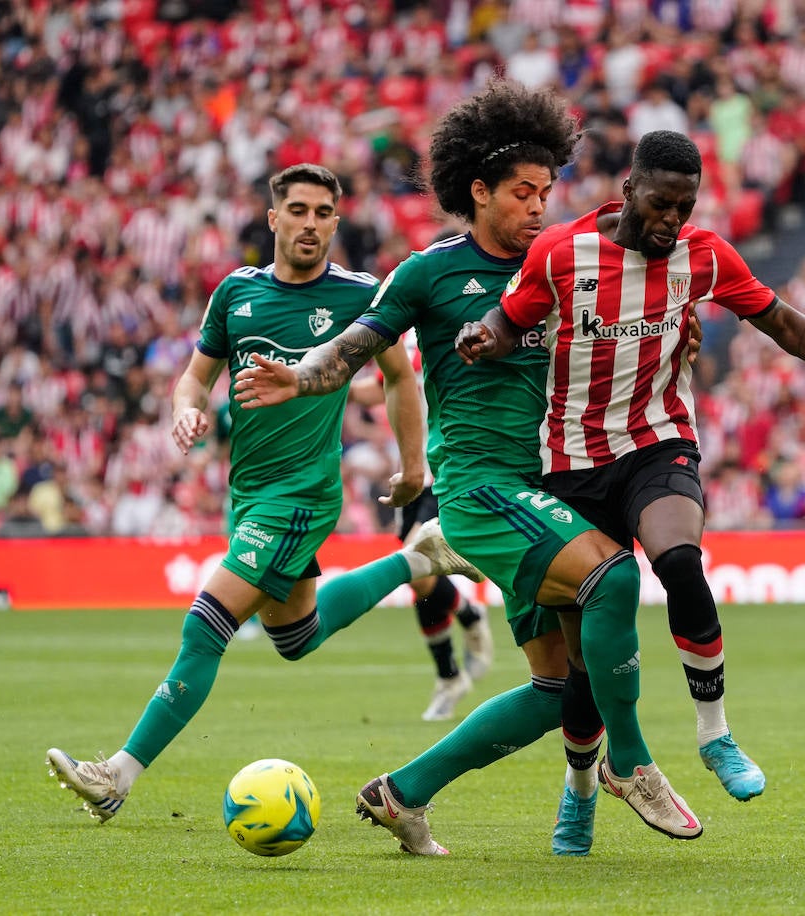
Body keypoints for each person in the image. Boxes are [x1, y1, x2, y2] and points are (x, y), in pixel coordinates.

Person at [232, 82, 700, 857]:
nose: (539, 207)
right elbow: (353, 345)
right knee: (614, 578)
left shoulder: (566, 265)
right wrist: (302, 375)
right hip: (488, 489)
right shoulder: (430, 273)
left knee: (559, 687)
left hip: (556, 490)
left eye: (547, 192)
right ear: (477, 191)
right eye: (523, 192)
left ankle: (403, 792)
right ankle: (633, 762)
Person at [455, 130, 805, 806]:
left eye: (684, 207)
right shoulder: (562, 251)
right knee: (586, 670)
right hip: (572, 461)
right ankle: (579, 792)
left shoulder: (703, 254)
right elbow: (511, 318)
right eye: (661, 205)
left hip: (659, 440)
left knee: (679, 559)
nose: (672, 221)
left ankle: (715, 733)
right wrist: (486, 335)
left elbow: (781, 322)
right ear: (630, 190)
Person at [45, 163, 483, 822]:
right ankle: (419, 557)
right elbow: (194, 379)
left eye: (323, 213)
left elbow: (400, 377)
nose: (310, 224)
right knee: (295, 635)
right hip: (247, 494)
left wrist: (414, 467)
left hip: (303, 493)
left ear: (336, 222)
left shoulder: (361, 295)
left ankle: (117, 775)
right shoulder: (235, 293)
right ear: (273, 219)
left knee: (206, 626)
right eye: (298, 210)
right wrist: (184, 410)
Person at [350, 367, 495, 722]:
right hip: (408, 476)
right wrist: (333, 381)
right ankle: (452, 667)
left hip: (442, 471)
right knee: (421, 581)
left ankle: (455, 659)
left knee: (416, 568)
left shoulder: (445, 328)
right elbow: (378, 388)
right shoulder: (402, 339)